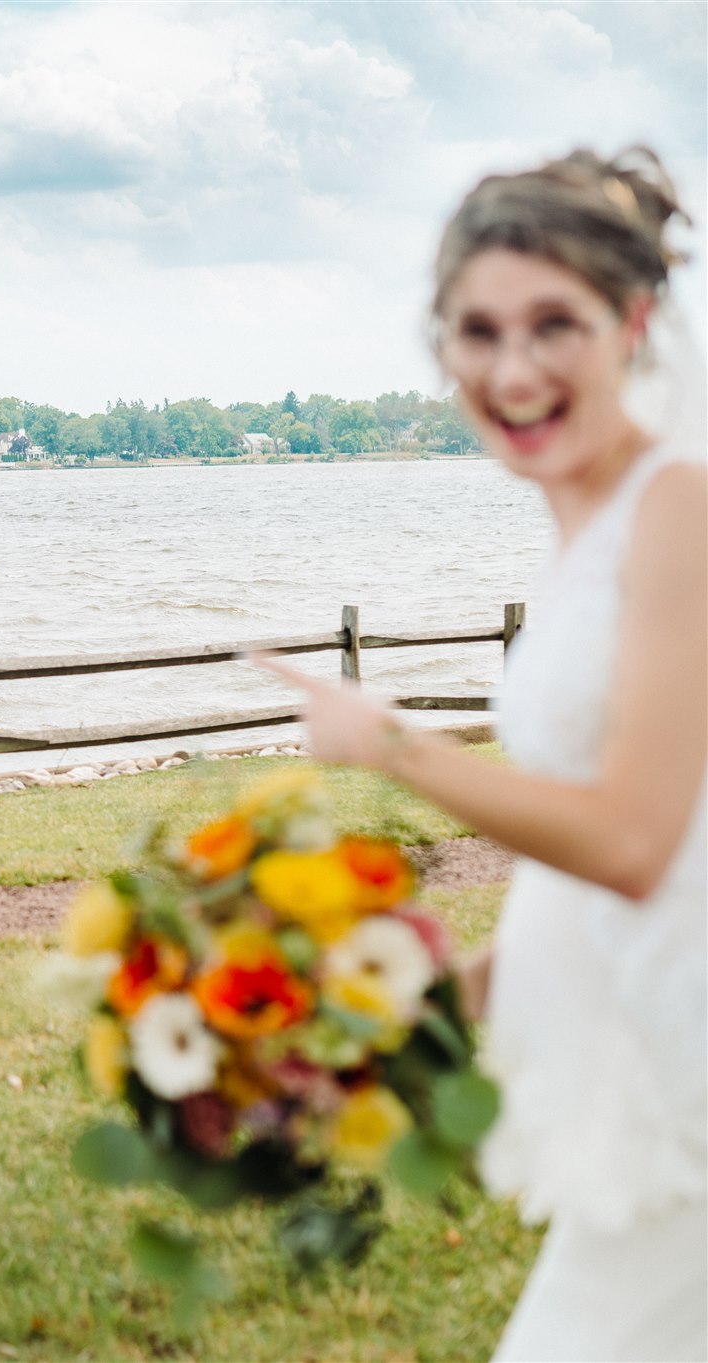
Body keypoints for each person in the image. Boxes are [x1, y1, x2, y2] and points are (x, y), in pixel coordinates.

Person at [256, 147, 705, 1361]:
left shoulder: (681, 511)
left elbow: (630, 838)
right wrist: (429, 1013)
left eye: (551, 323)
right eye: (476, 330)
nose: (511, 370)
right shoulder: (585, 533)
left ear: (632, 322)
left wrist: (389, 743)